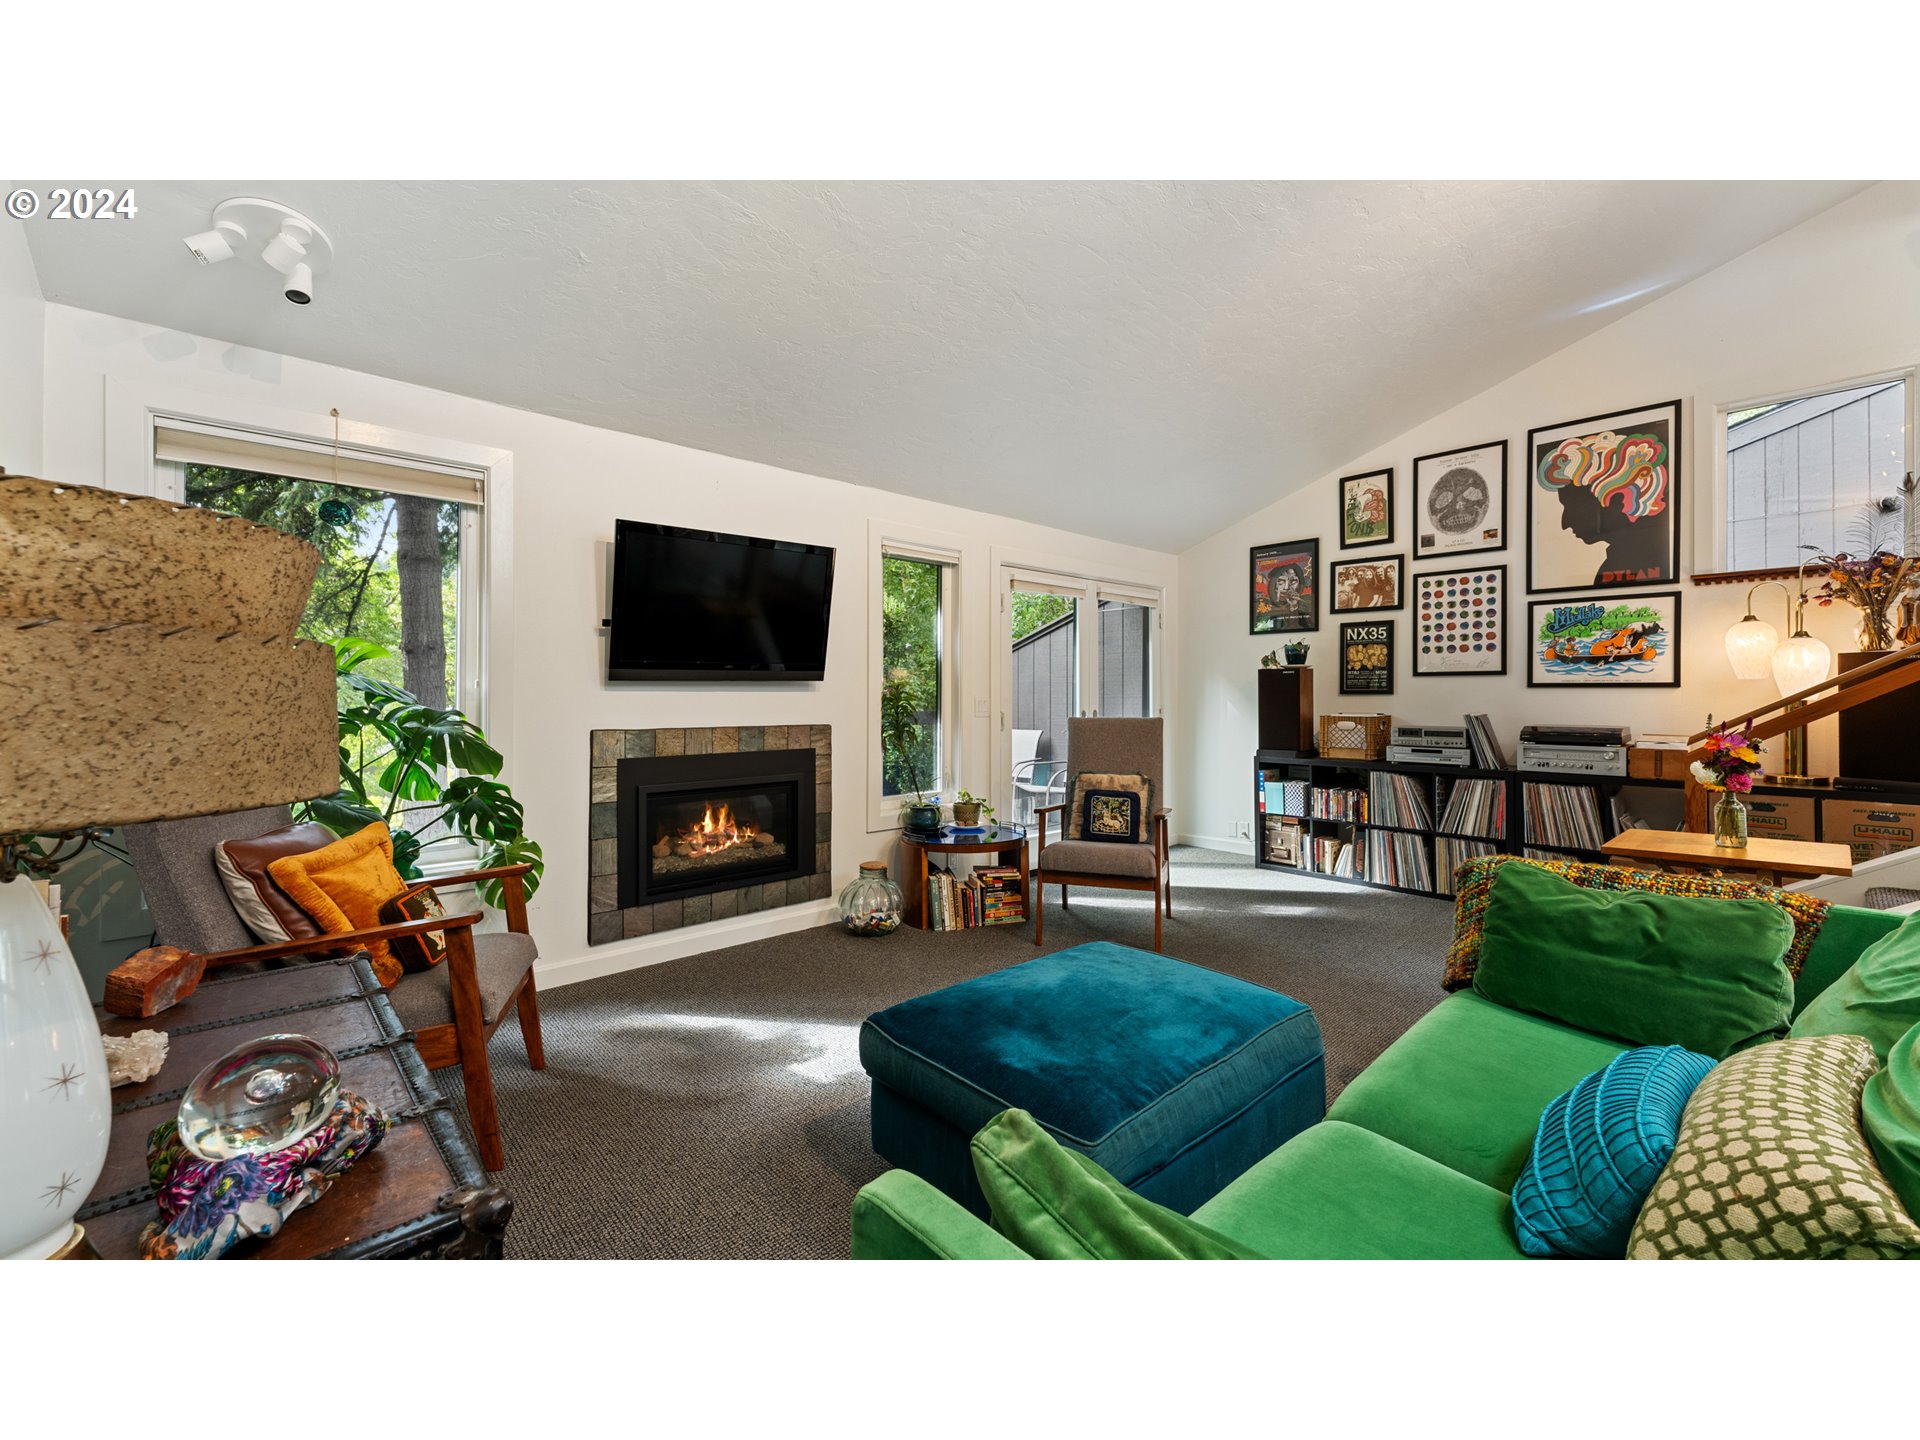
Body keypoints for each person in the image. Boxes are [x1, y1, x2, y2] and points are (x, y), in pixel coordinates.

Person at [1537, 429, 1670, 585]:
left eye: (1572, 507)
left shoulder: (1639, 561)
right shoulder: (1619, 563)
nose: (1565, 523)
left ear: (1615, 500)